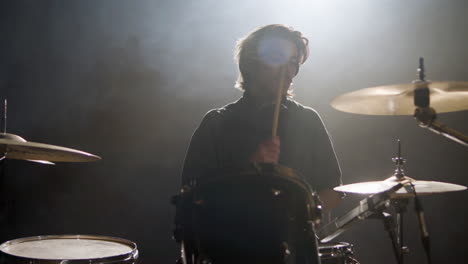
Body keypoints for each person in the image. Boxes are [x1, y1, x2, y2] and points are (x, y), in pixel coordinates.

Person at [178, 24, 342, 264]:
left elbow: (333, 190)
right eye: (279, 59)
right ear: (251, 64)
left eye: (294, 62)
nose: (288, 70)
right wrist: (249, 171)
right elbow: (190, 197)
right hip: (229, 251)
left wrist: (301, 215)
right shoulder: (216, 123)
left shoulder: (308, 120)